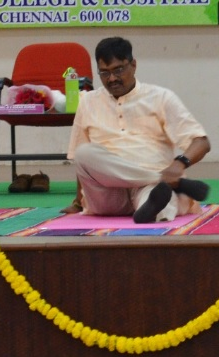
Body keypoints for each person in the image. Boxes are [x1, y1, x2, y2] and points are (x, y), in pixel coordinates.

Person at [64, 37, 211, 223]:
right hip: (106, 194)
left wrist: (179, 164)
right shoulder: (87, 102)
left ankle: (151, 208)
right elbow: (83, 166)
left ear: (133, 65)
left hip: (147, 190)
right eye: (104, 73)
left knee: (162, 201)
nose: (112, 78)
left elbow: (201, 142)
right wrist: (78, 202)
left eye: (118, 70)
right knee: (84, 153)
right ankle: (168, 181)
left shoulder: (161, 97)